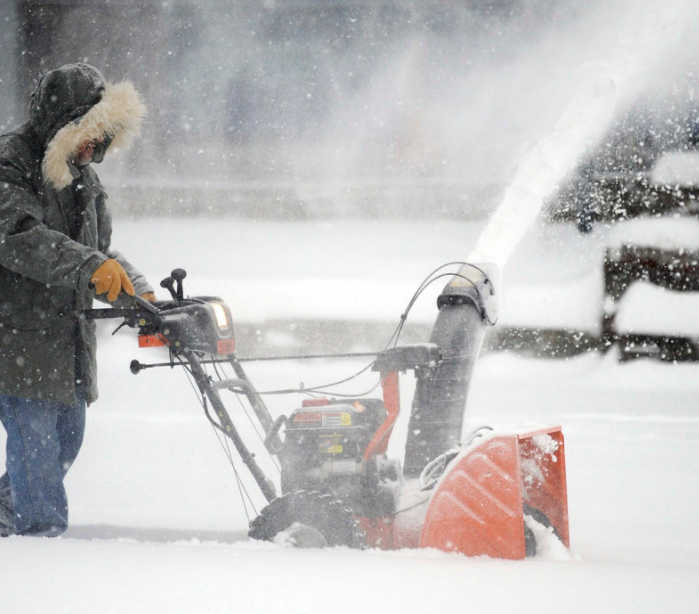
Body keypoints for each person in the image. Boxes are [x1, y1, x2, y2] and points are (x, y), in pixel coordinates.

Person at [0, 63, 155, 537]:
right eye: (88, 135)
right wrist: (89, 268)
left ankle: (7, 510)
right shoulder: (12, 164)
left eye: (102, 139)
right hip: (19, 341)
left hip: (66, 343)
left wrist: (137, 288)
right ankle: (40, 547)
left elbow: (99, 251)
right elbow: (17, 236)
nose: (94, 147)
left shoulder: (83, 179)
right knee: (38, 459)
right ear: (62, 126)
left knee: (66, 441)